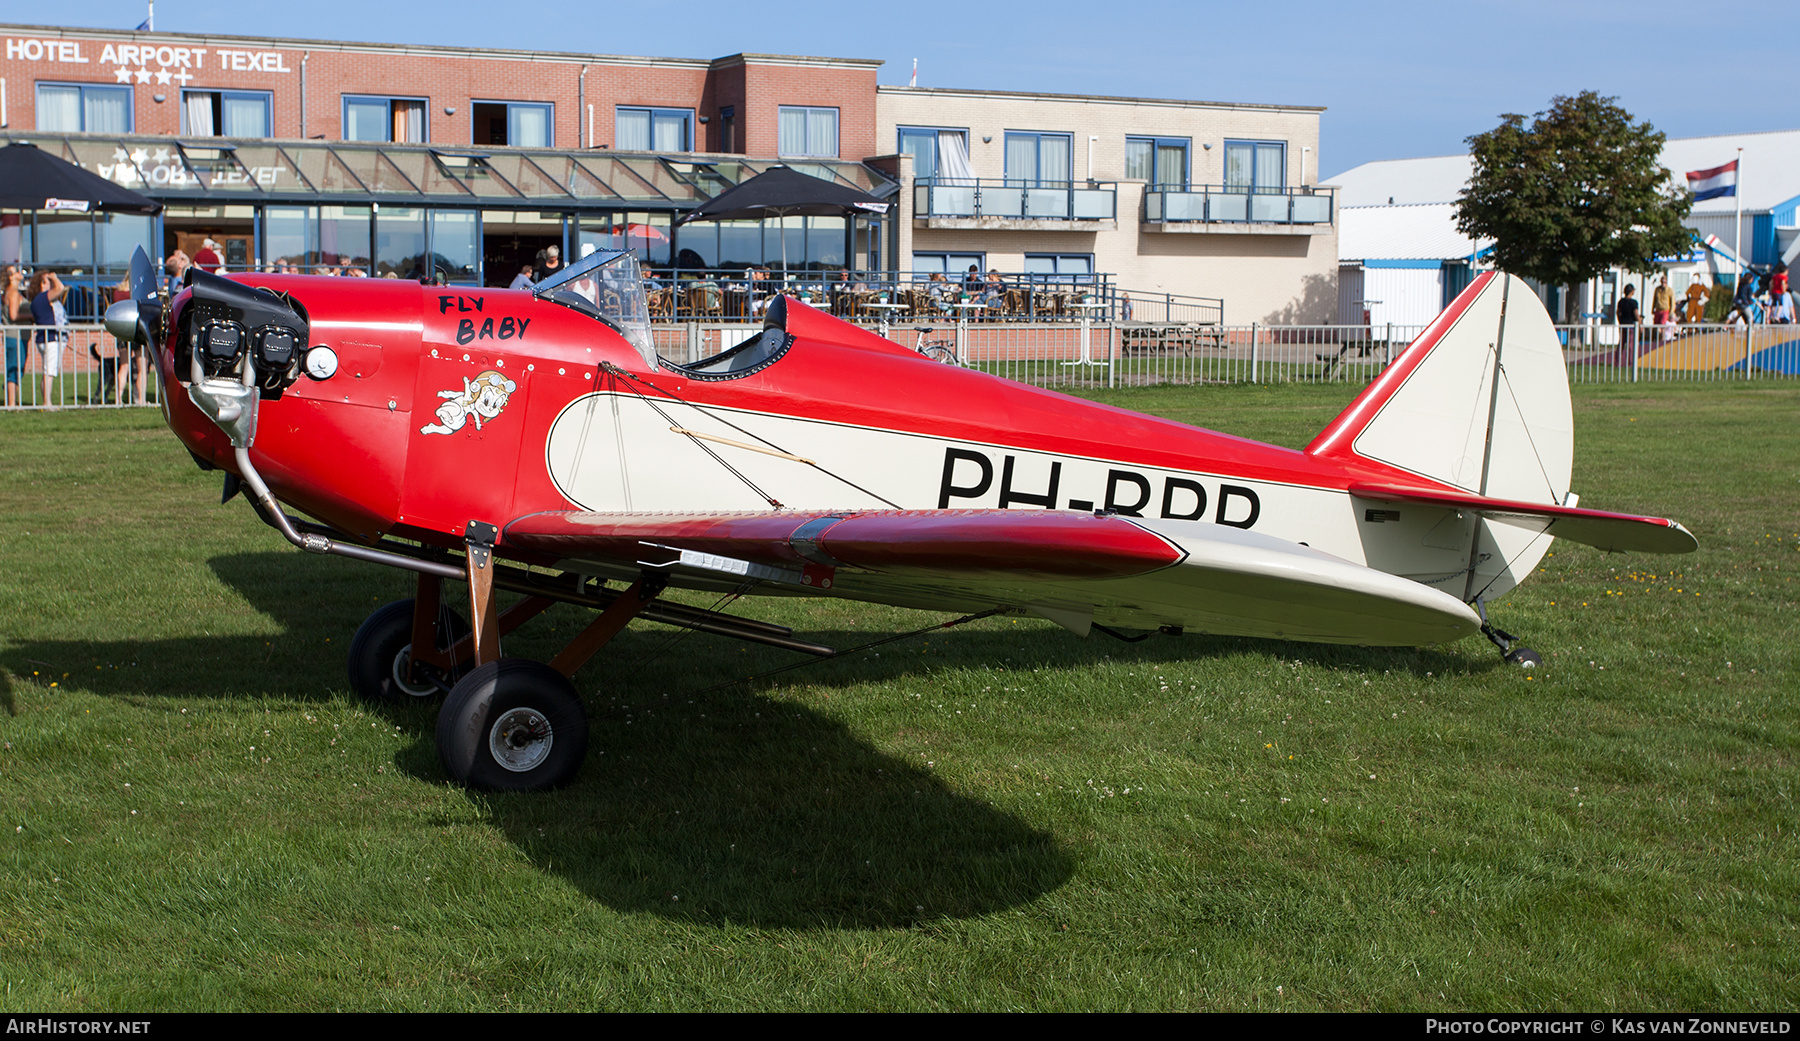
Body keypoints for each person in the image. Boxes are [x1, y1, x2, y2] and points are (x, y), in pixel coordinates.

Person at [28, 270, 69, 408]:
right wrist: (53, 276)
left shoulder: (37, 300)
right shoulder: (42, 298)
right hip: (50, 338)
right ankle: (47, 403)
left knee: (47, 371)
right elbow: (60, 288)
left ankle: (46, 401)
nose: (51, 284)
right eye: (47, 281)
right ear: (41, 283)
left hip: (44, 338)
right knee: (49, 372)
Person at [3, 264, 24, 407]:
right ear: (10, 277)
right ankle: (11, 403)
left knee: (18, 368)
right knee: (14, 368)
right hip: (14, 335)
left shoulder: (12, 292)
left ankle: (13, 401)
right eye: (15, 271)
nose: (19, 272)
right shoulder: (13, 293)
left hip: (17, 336)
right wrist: (31, 315)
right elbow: (13, 315)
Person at [1616, 283, 1639, 357]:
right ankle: (1630, 361)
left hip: (1623, 324)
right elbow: (1636, 314)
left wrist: (1620, 321)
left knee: (1621, 343)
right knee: (1631, 344)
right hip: (1631, 325)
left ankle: (1617, 361)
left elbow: (1618, 312)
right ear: (1632, 291)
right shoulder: (1634, 303)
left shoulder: (1621, 302)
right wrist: (1640, 323)